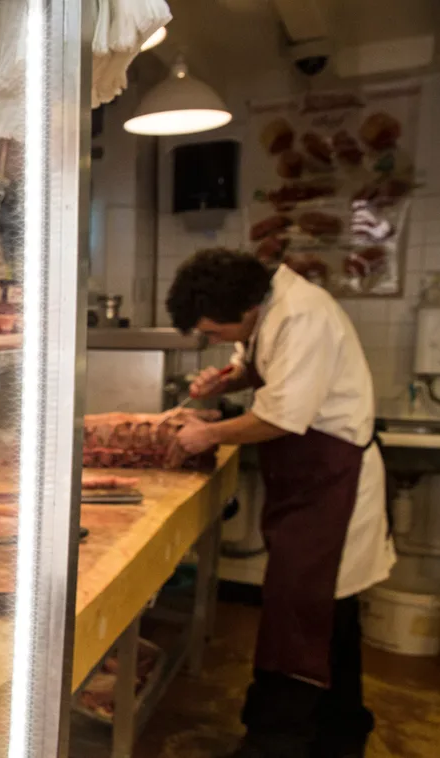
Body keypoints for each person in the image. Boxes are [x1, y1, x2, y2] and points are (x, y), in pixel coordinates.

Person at [165, 249, 395, 758]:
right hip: (307, 481)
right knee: (326, 613)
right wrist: (228, 378)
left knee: (299, 612)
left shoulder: (303, 314)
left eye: (217, 332)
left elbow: (281, 417)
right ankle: (341, 731)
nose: (218, 342)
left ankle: (278, 741)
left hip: (334, 482)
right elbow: (260, 363)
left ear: (246, 308)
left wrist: (208, 434)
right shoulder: (269, 305)